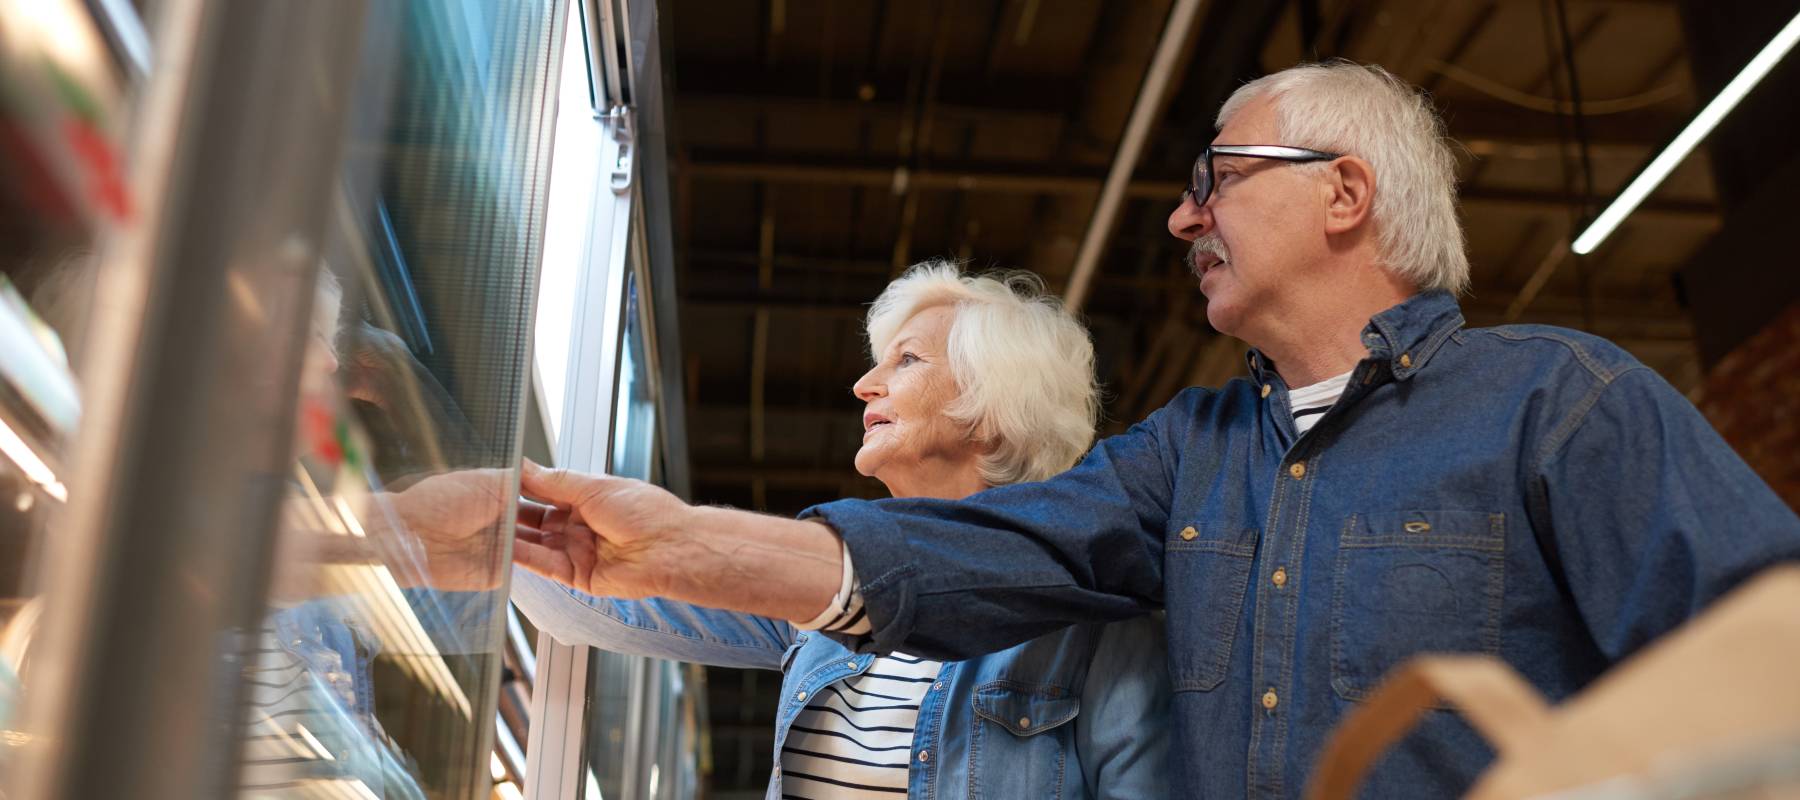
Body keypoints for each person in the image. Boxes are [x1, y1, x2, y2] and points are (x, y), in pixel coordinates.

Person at [509, 61, 1800, 797]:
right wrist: (658, 545)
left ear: (1345, 194)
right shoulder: (1185, 455)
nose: (1184, 221)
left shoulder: (1558, 403)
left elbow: (1767, 660)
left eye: (1217, 182)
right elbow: (964, 556)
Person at [514, 262, 1171, 799]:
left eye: (906, 360)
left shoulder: (1100, 623)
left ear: (995, 407)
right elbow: (588, 600)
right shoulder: (822, 591)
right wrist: (491, 523)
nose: (863, 385)